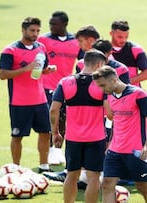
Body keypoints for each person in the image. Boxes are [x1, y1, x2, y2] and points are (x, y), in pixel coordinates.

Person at [92, 66, 147, 203]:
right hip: (115, 150)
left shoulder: (139, 94)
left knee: (142, 186)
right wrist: (109, 144)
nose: (101, 90)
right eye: (99, 86)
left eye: (103, 85)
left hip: (135, 150)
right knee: (107, 184)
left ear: (114, 79)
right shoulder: (110, 96)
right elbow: (116, 122)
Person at [50, 50, 107, 203]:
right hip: (96, 138)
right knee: (93, 176)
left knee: (72, 174)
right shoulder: (102, 84)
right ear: (99, 65)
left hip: (73, 137)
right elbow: (111, 113)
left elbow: (54, 110)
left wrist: (55, 133)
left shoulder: (65, 82)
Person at [0, 17, 55, 173]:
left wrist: (47, 70)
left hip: (40, 99)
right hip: (19, 101)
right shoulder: (10, 50)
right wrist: (26, 68)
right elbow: (3, 74)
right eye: (32, 30)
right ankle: (16, 167)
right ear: (23, 30)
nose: (35, 34)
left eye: (37, 30)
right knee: (17, 136)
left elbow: (41, 69)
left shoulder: (41, 48)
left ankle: (44, 166)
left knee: (45, 132)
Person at [37, 11, 84, 165]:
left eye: (54, 24)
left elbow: (82, 63)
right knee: (51, 118)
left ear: (64, 24)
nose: (51, 27)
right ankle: (50, 151)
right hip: (46, 86)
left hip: (66, 86)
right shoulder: (43, 40)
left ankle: (57, 150)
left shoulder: (76, 41)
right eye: (50, 23)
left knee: (64, 119)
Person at [110, 20, 147, 87]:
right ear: (111, 33)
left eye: (126, 37)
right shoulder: (103, 49)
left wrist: (125, 83)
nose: (123, 40)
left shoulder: (136, 49)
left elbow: (146, 73)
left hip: (132, 92)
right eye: (120, 37)